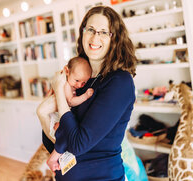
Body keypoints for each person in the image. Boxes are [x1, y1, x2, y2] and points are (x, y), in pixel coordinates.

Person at [36, 5, 138, 181]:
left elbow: (77, 144)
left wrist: (60, 92)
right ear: (82, 33)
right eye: (90, 29)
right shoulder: (80, 80)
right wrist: (43, 113)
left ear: (115, 39)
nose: (95, 37)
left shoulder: (119, 82)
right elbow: (51, 141)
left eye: (104, 32)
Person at [49, 56, 94, 140]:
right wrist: (85, 96)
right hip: (57, 116)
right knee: (63, 133)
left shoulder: (72, 82)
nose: (79, 85)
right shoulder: (66, 85)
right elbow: (70, 102)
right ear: (67, 71)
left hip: (64, 114)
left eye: (84, 83)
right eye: (77, 80)